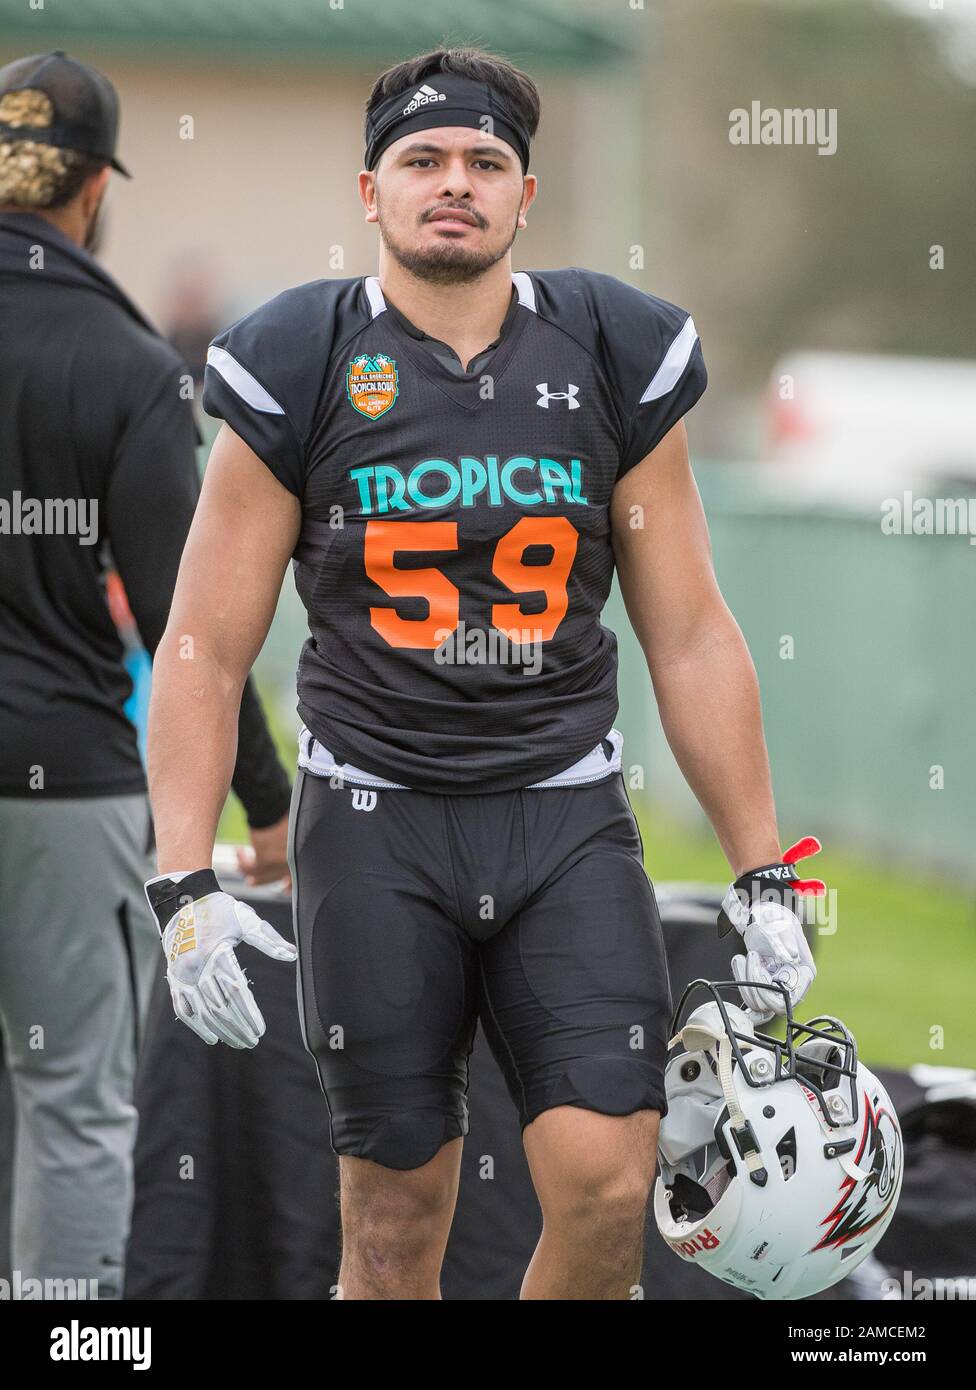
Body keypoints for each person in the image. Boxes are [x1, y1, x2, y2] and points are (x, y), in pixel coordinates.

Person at [143, 46, 820, 1300]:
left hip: (563, 811)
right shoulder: (301, 358)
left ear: (523, 195)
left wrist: (762, 867)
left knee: (613, 1184)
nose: (453, 183)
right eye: (423, 160)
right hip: (373, 819)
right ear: (371, 192)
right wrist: (183, 875)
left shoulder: (612, 347)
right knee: (394, 1225)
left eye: (483, 163)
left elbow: (690, 631)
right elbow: (202, 642)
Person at [0, 50, 292, 1298]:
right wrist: (268, 801)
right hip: (62, 788)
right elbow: (191, 623)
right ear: (93, 193)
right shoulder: (128, 367)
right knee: (72, 1102)